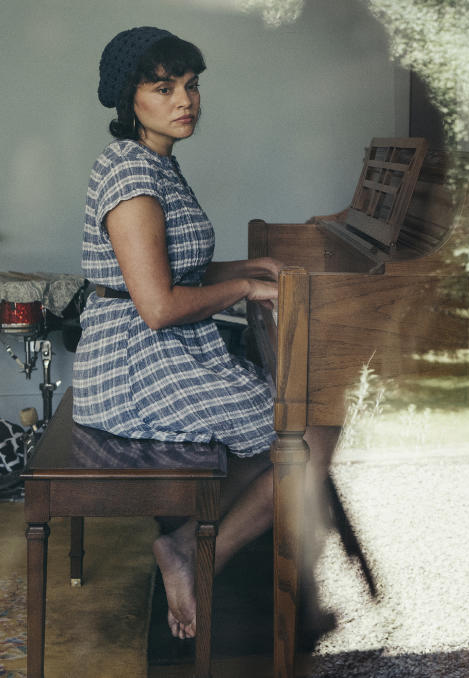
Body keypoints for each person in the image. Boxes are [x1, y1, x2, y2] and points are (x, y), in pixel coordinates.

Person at [74, 26, 337, 640]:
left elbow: (174, 268)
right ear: (127, 100)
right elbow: (161, 305)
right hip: (133, 364)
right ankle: (197, 555)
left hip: (158, 349)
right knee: (312, 433)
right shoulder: (131, 178)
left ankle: (192, 542)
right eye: (163, 87)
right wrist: (247, 289)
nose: (184, 100)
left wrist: (249, 267)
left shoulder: (157, 163)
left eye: (190, 86)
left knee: (283, 432)